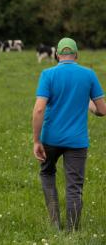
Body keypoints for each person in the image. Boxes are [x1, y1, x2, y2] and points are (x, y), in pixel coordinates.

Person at [32, 37, 106, 231]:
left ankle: (55, 223)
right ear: (77, 55)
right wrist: (89, 105)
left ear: (56, 54)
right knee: (74, 186)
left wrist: (36, 140)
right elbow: (102, 109)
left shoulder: (47, 74)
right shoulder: (88, 75)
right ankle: (72, 231)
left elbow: (39, 109)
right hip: (77, 141)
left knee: (47, 173)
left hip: (50, 139)